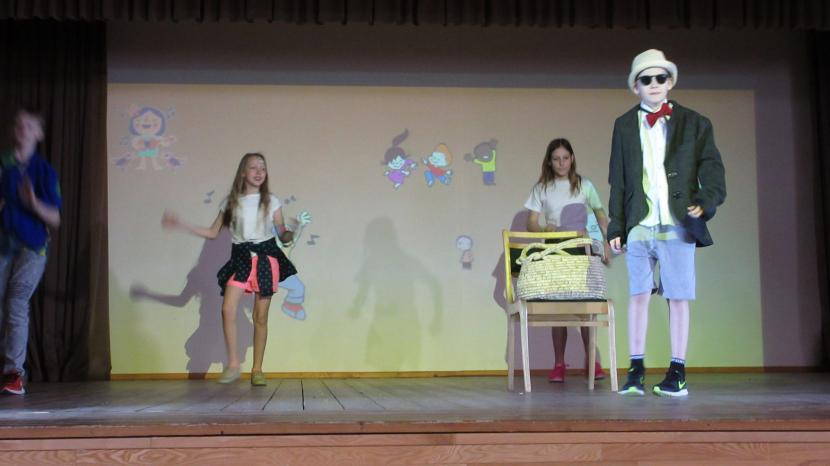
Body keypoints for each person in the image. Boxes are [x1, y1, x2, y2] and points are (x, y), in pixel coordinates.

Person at [608, 49, 726, 397]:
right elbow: (618, 179)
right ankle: (635, 370)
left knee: (677, 296)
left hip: (677, 222)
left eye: (661, 78)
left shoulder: (695, 122)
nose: (654, 84)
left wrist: (704, 202)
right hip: (640, 222)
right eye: (646, 79)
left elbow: (712, 169)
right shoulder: (624, 125)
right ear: (635, 87)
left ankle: (677, 371)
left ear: (670, 82)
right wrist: (616, 227)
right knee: (639, 294)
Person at [162, 152, 298, 386]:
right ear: (243, 172)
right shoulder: (231, 202)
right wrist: (182, 225)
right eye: (253, 167)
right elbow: (213, 232)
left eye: (262, 168)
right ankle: (234, 364)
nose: (259, 172)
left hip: (265, 259)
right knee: (227, 309)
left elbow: (281, 232)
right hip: (241, 258)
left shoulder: (271, 201)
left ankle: (257, 369)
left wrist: (289, 234)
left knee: (260, 317)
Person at [524, 138, 611, 383]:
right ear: (549, 162)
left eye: (565, 158)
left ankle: (591, 362)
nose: (561, 163)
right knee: (558, 308)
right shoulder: (542, 187)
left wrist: (605, 242)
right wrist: (544, 230)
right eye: (556, 159)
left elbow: (600, 213)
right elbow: (531, 222)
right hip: (555, 251)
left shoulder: (585, 185)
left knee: (585, 308)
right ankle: (559, 364)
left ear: (572, 158)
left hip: (580, 250)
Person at [0, 109, 62, 395]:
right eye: (19, 124)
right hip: (4, 242)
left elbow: (55, 218)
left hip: (32, 246)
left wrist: (34, 202)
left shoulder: (44, 171)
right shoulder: (4, 164)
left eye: (29, 125)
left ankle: (13, 374)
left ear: (39, 133)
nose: (22, 129)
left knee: (16, 302)